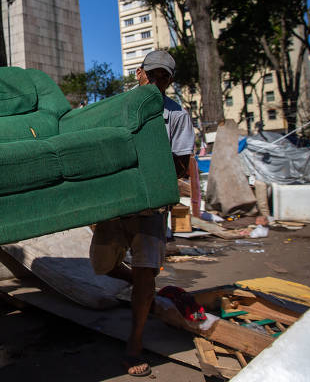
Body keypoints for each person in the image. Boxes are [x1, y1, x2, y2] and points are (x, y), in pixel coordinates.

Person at [89, 50, 195, 377]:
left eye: (165, 76)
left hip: (150, 208)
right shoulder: (117, 108)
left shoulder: (176, 115)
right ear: (139, 73)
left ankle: (134, 343)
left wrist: (151, 162)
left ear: (170, 81)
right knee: (101, 265)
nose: (157, 80)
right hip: (116, 205)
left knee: (146, 272)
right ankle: (141, 283)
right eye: (153, 74)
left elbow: (180, 164)